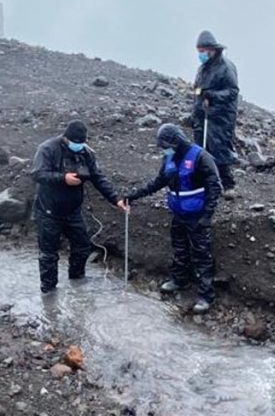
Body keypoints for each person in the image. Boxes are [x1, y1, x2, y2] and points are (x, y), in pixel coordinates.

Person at [126, 124, 223, 313]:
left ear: (175, 141)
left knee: (202, 254)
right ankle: (179, 280)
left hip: (197, 215)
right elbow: (159, 182)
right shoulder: (169, 157)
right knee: (179, 249)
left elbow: (215, 186)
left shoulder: (201, 157)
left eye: (165, 145)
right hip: (178, 212)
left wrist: (207, 215)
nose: (164, 149)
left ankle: (206, 296)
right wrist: (133, 196)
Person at [31, 120, 127, 293]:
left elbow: (98, 178)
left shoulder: (86, 153)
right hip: (49, 211)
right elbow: (37, 174)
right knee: (48, 254)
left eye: (81, 143)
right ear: (66, 138)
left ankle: (77, 283)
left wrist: (116, 199)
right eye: (76, 143)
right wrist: (63, 178)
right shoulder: (48, 149)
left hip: (73, 211)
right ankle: (49, 292)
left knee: (82, 246)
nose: (78, 146)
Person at [189, 30, 240, 193]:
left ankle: (228, 185)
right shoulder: (203, 68)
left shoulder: (225, 67)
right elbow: (198, 90)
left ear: (212, 49)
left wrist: (212, 96)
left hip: (220, 117)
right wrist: (196, 110)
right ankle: (206, 184)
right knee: (200, 150)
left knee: (219, 149)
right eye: (199, 52)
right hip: (203, 115)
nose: (201, 55)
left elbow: (232, 91)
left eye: (203, 51)